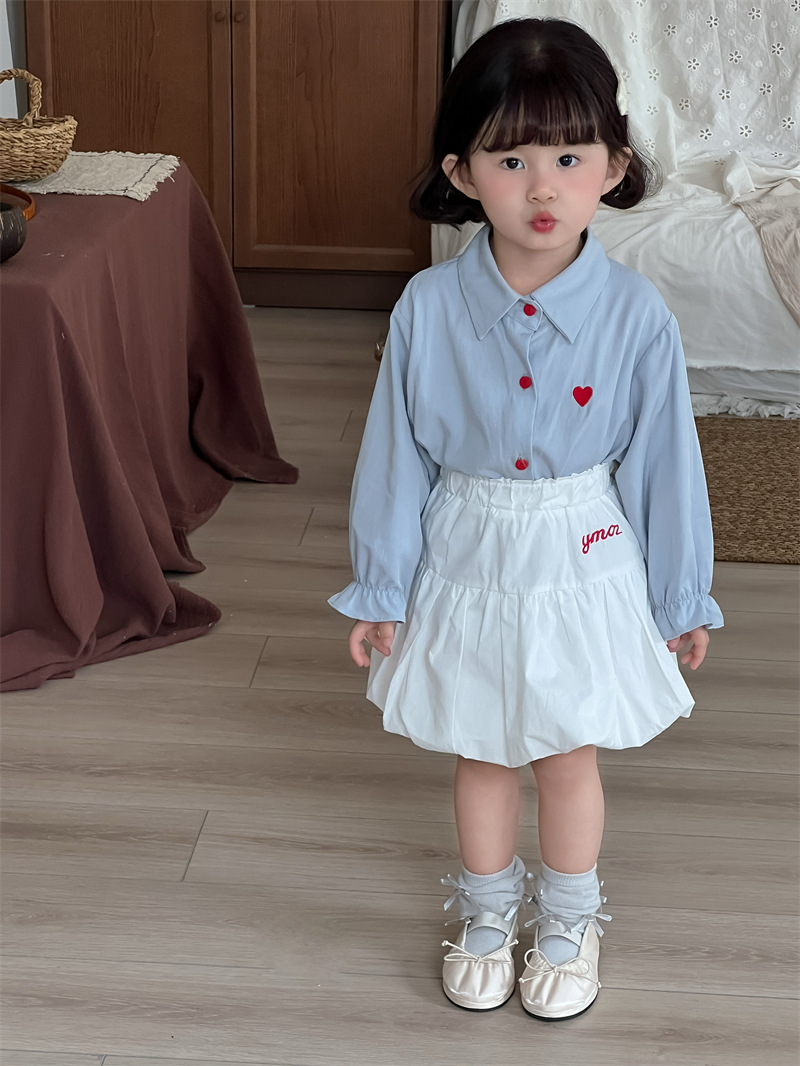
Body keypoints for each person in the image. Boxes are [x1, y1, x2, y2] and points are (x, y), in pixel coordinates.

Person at [328, 17, 724, 1021]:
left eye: (568, 157)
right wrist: (380, 586)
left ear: (612, 167)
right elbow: (395, 460)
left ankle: (570, 918)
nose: (541, 188)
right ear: (461, 173)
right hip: (464, 547)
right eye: (511, 160)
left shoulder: (636, 316)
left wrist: (680, 593)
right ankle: (486, 908)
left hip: (580, 548)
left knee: (565, 746)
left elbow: (665, 465)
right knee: (481, 744)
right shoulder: (425, 308)